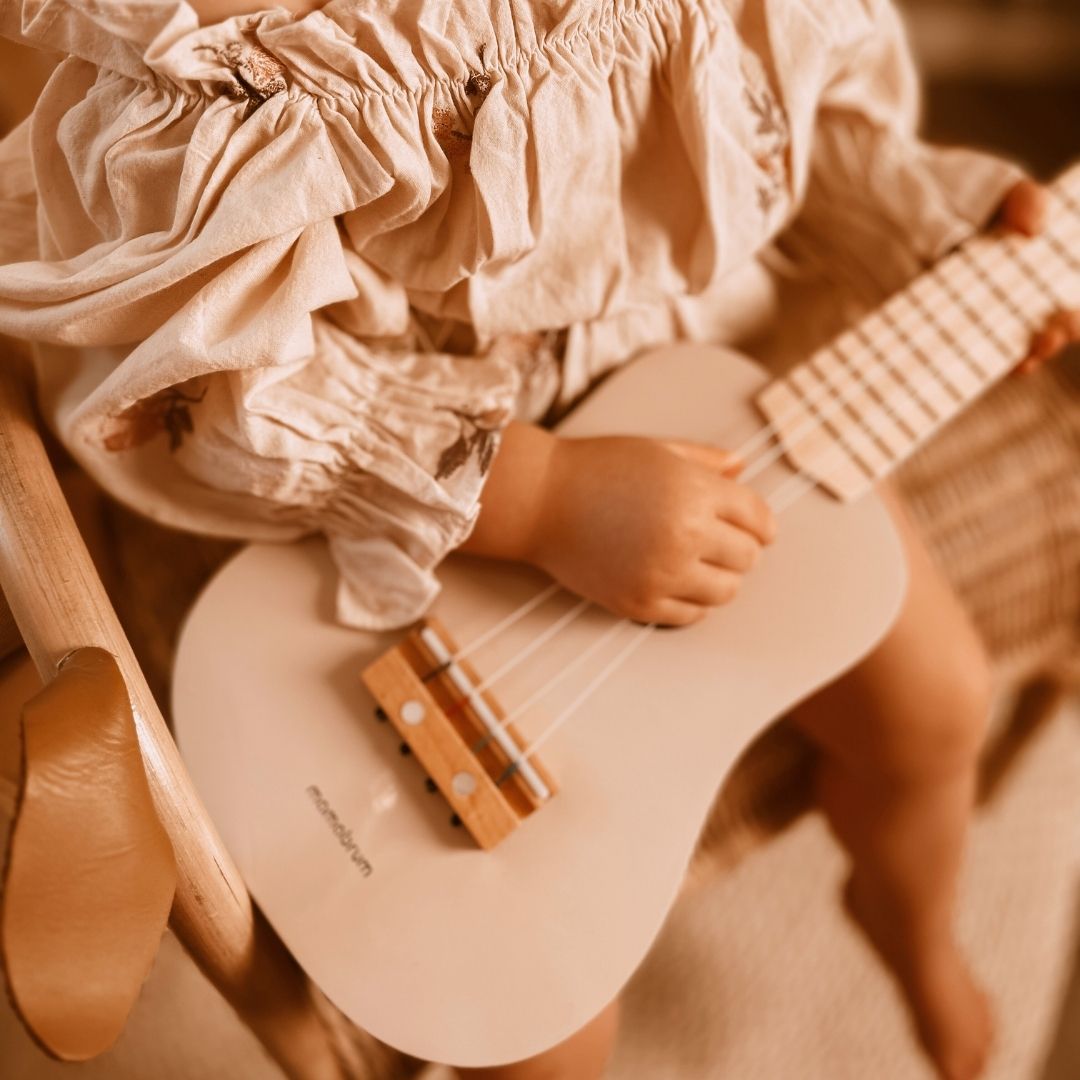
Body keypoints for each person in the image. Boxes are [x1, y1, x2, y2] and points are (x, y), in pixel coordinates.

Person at [0, 1, 1077, 1077]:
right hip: (352, 490)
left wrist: (929, 222)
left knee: (939, 702)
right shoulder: (254, 54)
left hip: (678, 384)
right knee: (542, 1033)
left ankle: (910, 924)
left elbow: (779, 119)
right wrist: (548, 497)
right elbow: (203, 382)